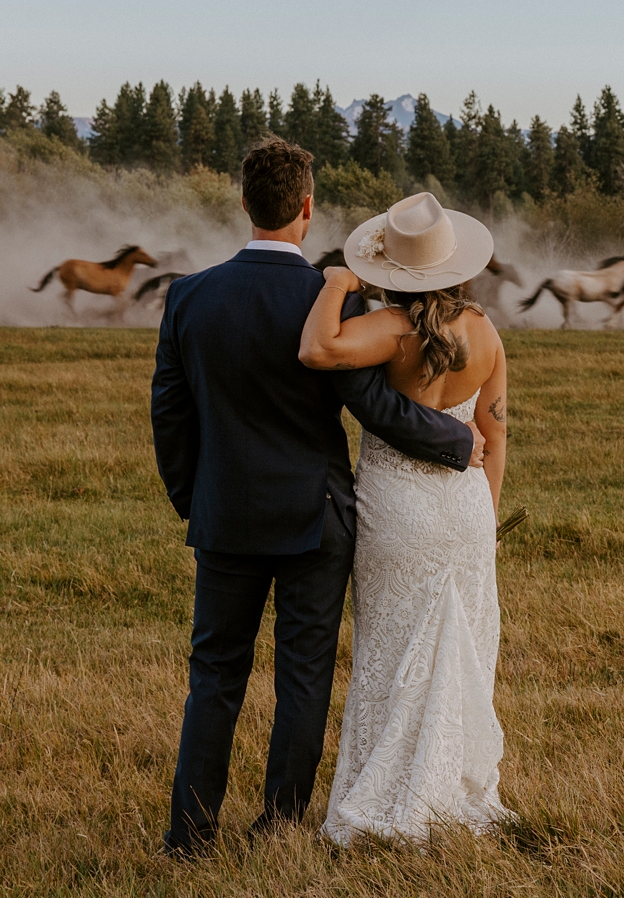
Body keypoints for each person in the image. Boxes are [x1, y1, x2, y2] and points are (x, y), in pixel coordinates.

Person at [150, 140, 483, 859]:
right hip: (315, 518)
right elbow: (376, 409)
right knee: (303, 679)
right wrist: (458, 443)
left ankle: (190, 836)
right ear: (306, 209)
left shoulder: (189, 296)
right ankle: (280, 825)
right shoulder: (329, 302)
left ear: (244, 203)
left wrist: (194, 500)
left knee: (213, 678)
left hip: (225, 517)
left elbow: (169, 417)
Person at [296, 190, 512, 844]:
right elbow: (494, 435)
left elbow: (315, 348)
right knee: (463, 649)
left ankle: (387, 793)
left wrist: (336, 282)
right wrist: (487, 523)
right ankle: (453, 792)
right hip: (467, 508)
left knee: (393, 653)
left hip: (398, 512)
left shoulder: (391, 331)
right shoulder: (486, 332)